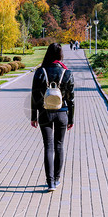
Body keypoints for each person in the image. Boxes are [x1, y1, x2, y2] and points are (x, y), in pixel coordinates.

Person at [31, 43, 75, 192]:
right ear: (60, 54)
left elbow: (35, 96)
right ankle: (56, 179)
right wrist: (71, 119)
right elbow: (71, 99)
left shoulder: (40, 72)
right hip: (62, 113)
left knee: (48, 147)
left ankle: (50, 182)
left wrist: (34, 116)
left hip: (45, 113)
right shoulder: (67, 73)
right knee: (59, 146)